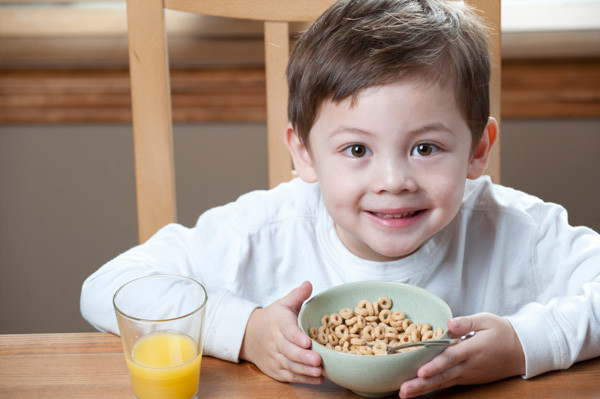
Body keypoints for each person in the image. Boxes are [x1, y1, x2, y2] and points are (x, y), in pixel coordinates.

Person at [80, 0, 600, 397]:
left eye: (426, 147)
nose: (393, 180)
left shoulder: (516, 231)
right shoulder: (267, 232)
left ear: (477, 150)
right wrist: (245, 329)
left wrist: (524, 344)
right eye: (356, 148)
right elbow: (108, 287)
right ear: (304, 154)